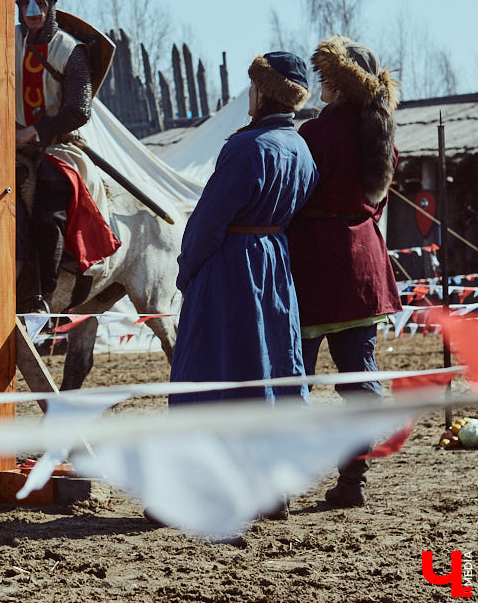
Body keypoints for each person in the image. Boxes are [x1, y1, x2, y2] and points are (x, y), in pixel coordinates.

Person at [287, 36, 401, 508]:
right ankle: (353, 481)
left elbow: (292, 197)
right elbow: (377, 201)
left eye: (327, 76)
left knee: (294, 380)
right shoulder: (381, 134)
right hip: (364, 264)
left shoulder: (316, 133)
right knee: (361, 377)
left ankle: (282, 488)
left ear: (340, 82)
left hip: (317, 265)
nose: (320, 83)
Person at [169, 52, 319, 405]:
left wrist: (187, 271)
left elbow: (209, 222)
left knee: (221, 358)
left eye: (254, 85)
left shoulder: (246, 147)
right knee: (273, 351)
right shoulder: (302, 150)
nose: (249, 92)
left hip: (231, 268)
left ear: (265, 92)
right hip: (274, 264)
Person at [0, 0, 117, 313]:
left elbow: (78, 111)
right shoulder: (5, 41)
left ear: (50, 5)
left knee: (48, 210)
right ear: (17, 7)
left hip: (57, 145)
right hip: (11, 147)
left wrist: (30, 134)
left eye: (40, 4)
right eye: (25, 4)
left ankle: (42, 297)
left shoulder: (69, 50)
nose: (33, 12)